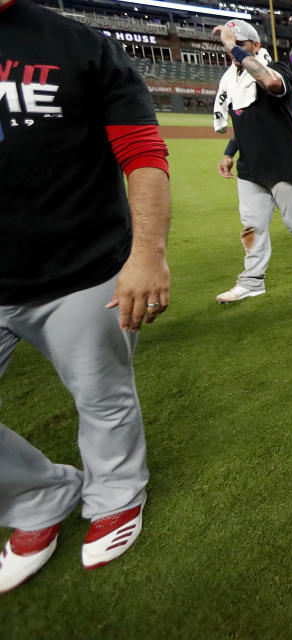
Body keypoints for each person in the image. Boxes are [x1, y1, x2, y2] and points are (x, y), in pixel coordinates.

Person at [0, 0, 171, 591]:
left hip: (81, 268)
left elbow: (143, 152)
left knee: (102, 398)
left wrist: (147, 253)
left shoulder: (76, 44)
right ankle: (40, 496)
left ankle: (117, 495)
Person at [213, 20, 292, 303]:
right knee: (252, 226)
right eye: (228, 47)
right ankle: (252, 281)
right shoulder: (233, 81)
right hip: (251, 167)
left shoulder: (278, 70)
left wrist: (233, 47)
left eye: (239, 45)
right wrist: (229, 153)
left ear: (256, 46)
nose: (231, 53)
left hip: (283, 162)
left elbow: (269, 82)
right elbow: (245, 122)